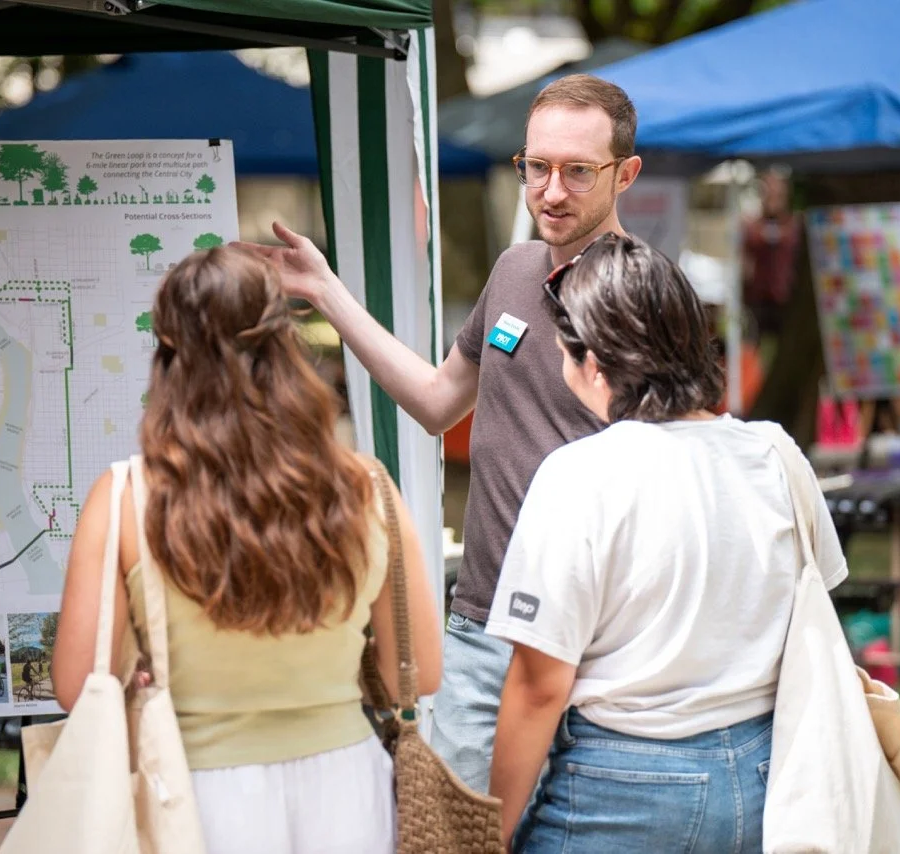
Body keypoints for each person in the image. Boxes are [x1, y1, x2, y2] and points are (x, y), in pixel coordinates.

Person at [242, 73, 643, 793]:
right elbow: (436, 401)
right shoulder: (516, 268)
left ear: (625, 174)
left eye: (578, 172)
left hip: (595, 639)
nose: (551, 191)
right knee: (456, 833)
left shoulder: (643, 293)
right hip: (484, 623)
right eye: (537, 167)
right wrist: (328, 292)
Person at [51, 246, 443, 853]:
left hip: (194, 793)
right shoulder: (368, 490)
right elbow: (417, 673)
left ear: (166, 350)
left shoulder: (124, 498)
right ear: (284, 344)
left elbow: (79, 685)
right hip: (347, 788)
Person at [485, 233, 848, 852]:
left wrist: (485, 833)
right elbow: (814, 606)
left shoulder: (578, 475)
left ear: (595, 362)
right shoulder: (775, 453)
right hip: (767, 776)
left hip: (621, 785)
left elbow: (539, 684)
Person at [741, 167, 801, 345]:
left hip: (786, 299)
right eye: (769, 191)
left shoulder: (794, 225)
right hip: (757, 298)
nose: (773, 198)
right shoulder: (752, 226)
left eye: (778, 193)